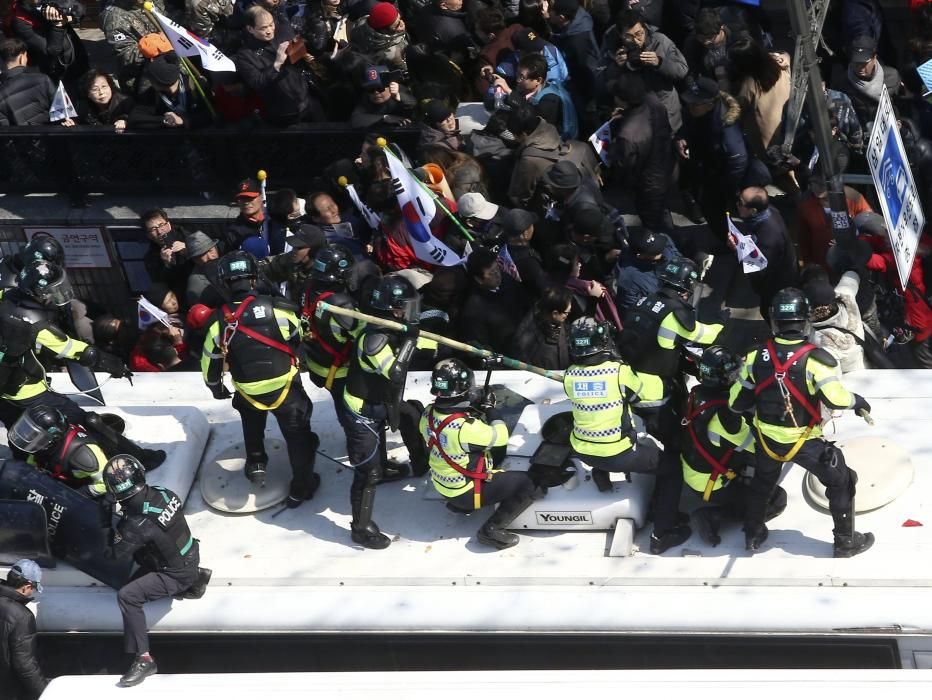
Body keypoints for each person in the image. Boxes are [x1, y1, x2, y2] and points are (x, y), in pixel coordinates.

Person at [728, 288, 875, 557]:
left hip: (766, 440)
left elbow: (736, 402)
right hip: (804, 441)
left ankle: (752, 534)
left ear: (775, 320)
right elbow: (837, 400)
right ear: (805, 320)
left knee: (762, 484)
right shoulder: (818, 360)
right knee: (842, 480)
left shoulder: (753, 357)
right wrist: (860, 401)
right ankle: (845, 542)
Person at [201, 252, 321, 507]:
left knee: (251, 421)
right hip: (285, 386)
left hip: (248, 390)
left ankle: (256, 460)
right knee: (298, 436)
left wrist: (215, 387)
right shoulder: (278, 308)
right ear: (254, 279)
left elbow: (209, 360)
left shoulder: (217, 320)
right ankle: (302, 486)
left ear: (224, 283)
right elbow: (298, 335)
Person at [563, 316, 690, 554]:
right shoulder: (618, 371)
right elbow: (642, 393)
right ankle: (662, 533)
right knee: (672, 468)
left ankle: (605, 476)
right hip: (616, 453)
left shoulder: (570, 375)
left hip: (583, 452)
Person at [620, 257, 723, 503]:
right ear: (686, 288)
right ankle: (668, 510)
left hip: (634, 379)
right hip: (656, 391)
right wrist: (727, 327)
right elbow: (702, 334)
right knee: (676, 445)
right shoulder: (674, 314)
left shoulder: (645, 301)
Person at [105, 455, 211, 687]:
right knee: (150, 551)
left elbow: (113, 556)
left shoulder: (136, 524)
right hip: (191, 556)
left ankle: (144, 659)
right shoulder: (164, 492)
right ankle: (195, 579)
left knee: (127, 595)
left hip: (175, 574)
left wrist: (105, 519)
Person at [342, 274, 428, 549]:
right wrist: (412, 340)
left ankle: (420, 465)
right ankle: (361, 527)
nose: (411, 312)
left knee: (411, 415)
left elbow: (422, 346)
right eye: (406, 307)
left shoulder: (391, 328)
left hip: (383, 403)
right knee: (368, 473)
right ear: (393, 309)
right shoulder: (374, 339)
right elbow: (395, 371)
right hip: (363, 413)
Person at [421, 358, 537, 549]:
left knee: (471, 452)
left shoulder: (427, 414)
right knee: (529, 483)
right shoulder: (466, 428)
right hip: (465, 491)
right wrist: (490, 409)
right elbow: (500, 436)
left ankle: (458, 505)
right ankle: (492, 530)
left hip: (443, 485)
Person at [683, 346, 786, 546]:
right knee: (776, 498)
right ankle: (713, 516)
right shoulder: (724, 416)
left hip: (695, 466)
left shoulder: (697, 393)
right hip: (710, 483)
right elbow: (757, 445)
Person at [299, 243, 363, 434]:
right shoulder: (341, 305)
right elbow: (363, 335)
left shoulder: (308, 288)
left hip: (317, 363)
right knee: (353, 414)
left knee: (339, 403)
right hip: (341, 370)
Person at [599, 9, 689, 131]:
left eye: (639, 34)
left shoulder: (660, 41)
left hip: (666, 112)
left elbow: (682, 69)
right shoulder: (612, 48)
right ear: (620, 35)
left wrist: (659, 63)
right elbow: (601, 82)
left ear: (645, 28)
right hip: (635, 118)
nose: (636, 40)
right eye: (629, 37)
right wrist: (616, 67)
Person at [234, 5, 325, 126]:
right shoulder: (245, 54)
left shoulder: (283, 30)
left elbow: (297, 49)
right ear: (250, 29)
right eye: (263, 28)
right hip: (283, 111)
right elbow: (256, 82)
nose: (269, 30)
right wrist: (276, 64)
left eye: (271, 25)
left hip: (307, 97)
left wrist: (302, 53)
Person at [8, 405, 113, 497]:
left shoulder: (82, 454)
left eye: (35, 436)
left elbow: (106, 482)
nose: (28, 436)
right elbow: (33, 463)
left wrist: (77, 496)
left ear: (54, 438)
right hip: (58, 483)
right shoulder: (42, 447)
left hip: (81, 493)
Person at [733, 186, 799, 320]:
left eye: (740, 202)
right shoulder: (770, 211)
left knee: (769, 312)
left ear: (753, 210)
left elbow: (757, 269)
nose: (737, 204)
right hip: (784, 271)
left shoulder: (768, 238)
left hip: (777, 283)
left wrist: (737, 248)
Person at [459, 247, 531, 354]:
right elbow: (482, 347)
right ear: (478, 279)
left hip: (528, 341)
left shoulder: (507, 280)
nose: (498, 274)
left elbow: (526, 303)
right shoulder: (474, 310)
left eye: (497, 268)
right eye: (491, 273)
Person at [6, 0, 89, 86]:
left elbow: (80, 10)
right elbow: (50, 51)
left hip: (78, 58)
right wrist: (58, 24)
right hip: (55, 73)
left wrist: (66, 15)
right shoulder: (20, 21)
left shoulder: (48, 1)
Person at [0, 559, 47, 700]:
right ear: (27, 586)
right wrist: (46, 693)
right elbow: (24, 665)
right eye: (33, 588)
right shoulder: (22, 616)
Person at [841, 34, 902, 128]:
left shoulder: (892, 76)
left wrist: (898, 121)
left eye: (864, 63)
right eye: (856, 62)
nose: (860, 67)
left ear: (874, 58)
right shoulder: (844, 84)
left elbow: (901, 102)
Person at [511, 286, 573, 370]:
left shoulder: (560, 323)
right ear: (554, 314)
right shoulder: (526, 337)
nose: (567, 315)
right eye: (566, 313)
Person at [0, 37, 57, 126]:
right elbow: (59, 111)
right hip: (48, 135)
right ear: (21, 57)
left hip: (20, 139)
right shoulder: (43, 80)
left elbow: (4, 128)